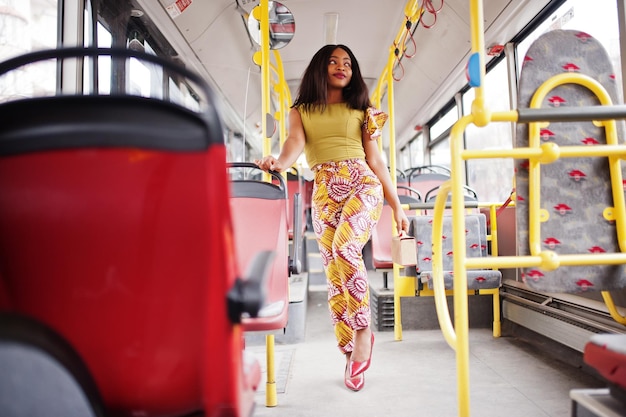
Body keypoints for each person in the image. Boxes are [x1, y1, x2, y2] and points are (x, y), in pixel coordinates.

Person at [255, 44, 409, 391]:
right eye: (333, 62)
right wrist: (279, 162)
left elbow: (377, 160)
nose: (342, 67)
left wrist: (396, 205)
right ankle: (349, 350)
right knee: (334, 272)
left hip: (361, 183)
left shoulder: (363, 109)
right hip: (324, 190)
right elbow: (294, 143)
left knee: (345, 249)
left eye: (348, 63)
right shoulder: (301, 111)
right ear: (319, 68)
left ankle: (362, 332)